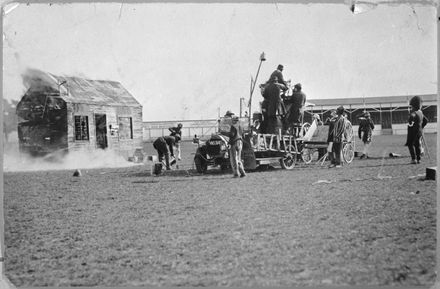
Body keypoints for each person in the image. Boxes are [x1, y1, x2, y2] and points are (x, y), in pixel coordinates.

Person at [221, 113, 246, 178]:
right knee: (238, 159)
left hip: (234, 143)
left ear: (234, 120)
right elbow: (242, 134)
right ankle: (243, 172)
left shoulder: (233, 126)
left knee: (234, 159)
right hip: (240, 142)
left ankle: (236, 174)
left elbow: (231, 135)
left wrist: (223, 133)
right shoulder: (241, 126)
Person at [405, 96, 428, 164]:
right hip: (419, 131)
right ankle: (418, 159)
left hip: (413, 131)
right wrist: (421, 127)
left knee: (410, 144)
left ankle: (413, 159)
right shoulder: (420, 113)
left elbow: (412, 117)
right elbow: (426, 120)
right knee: (417, 145)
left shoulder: (414, 113)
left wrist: (410, 120)